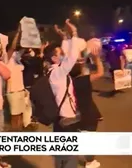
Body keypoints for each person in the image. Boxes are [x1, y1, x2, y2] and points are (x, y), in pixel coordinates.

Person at [43, 19, 81, 168]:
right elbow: (71, 57)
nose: (63, 55)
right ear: (53, 58)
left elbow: (67, 55)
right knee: (70, 157)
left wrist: (65, 38)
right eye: (59, 54)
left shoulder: (54, 71)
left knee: (61, 156)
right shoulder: (58, 72)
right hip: (67, 119)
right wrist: (75, 33)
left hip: (61, 119)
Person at [69, 38, 104, 168]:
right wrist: (97, 58)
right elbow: (100, 72)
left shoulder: (67, 81)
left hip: (74, 113)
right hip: (88, 113)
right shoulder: (84, 80)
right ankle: (89, 162)